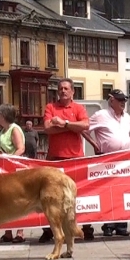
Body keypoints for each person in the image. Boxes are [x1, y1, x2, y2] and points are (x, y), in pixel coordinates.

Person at [40, 78, 91, 242]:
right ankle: (52, 229)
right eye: (60, 88)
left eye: (66, 88)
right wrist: (70, 127)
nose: (63, 91)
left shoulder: (78, 108)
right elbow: (48, 128)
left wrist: (64, 123)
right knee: (53, 197)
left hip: (75, 158)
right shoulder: (50, 107)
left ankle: (81, 226)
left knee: (75, 195)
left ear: (72, 91)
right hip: (55, 159)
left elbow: (85, 125)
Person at [83, 89, 130, 237]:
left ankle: (122, 225)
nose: (123, 103)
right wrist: (94, 144)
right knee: (109, 192)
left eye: (124, 100)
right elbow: (84, 129)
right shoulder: (101, 115)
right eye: (120, 100)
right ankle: (109, 225)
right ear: (111, 101)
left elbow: (127, 135)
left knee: (123, 191)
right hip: (107, 158)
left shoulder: (127, 117)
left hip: (124, 159)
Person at [0, 104, 26, 243]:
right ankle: (8, 232)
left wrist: (9, 158)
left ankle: (20, 232)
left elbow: (20, 148)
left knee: (17, 200)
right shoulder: (3, 131)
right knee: (6, 201)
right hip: (5, 169)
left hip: (15, 168)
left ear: (4, 115)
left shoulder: (14, 129)